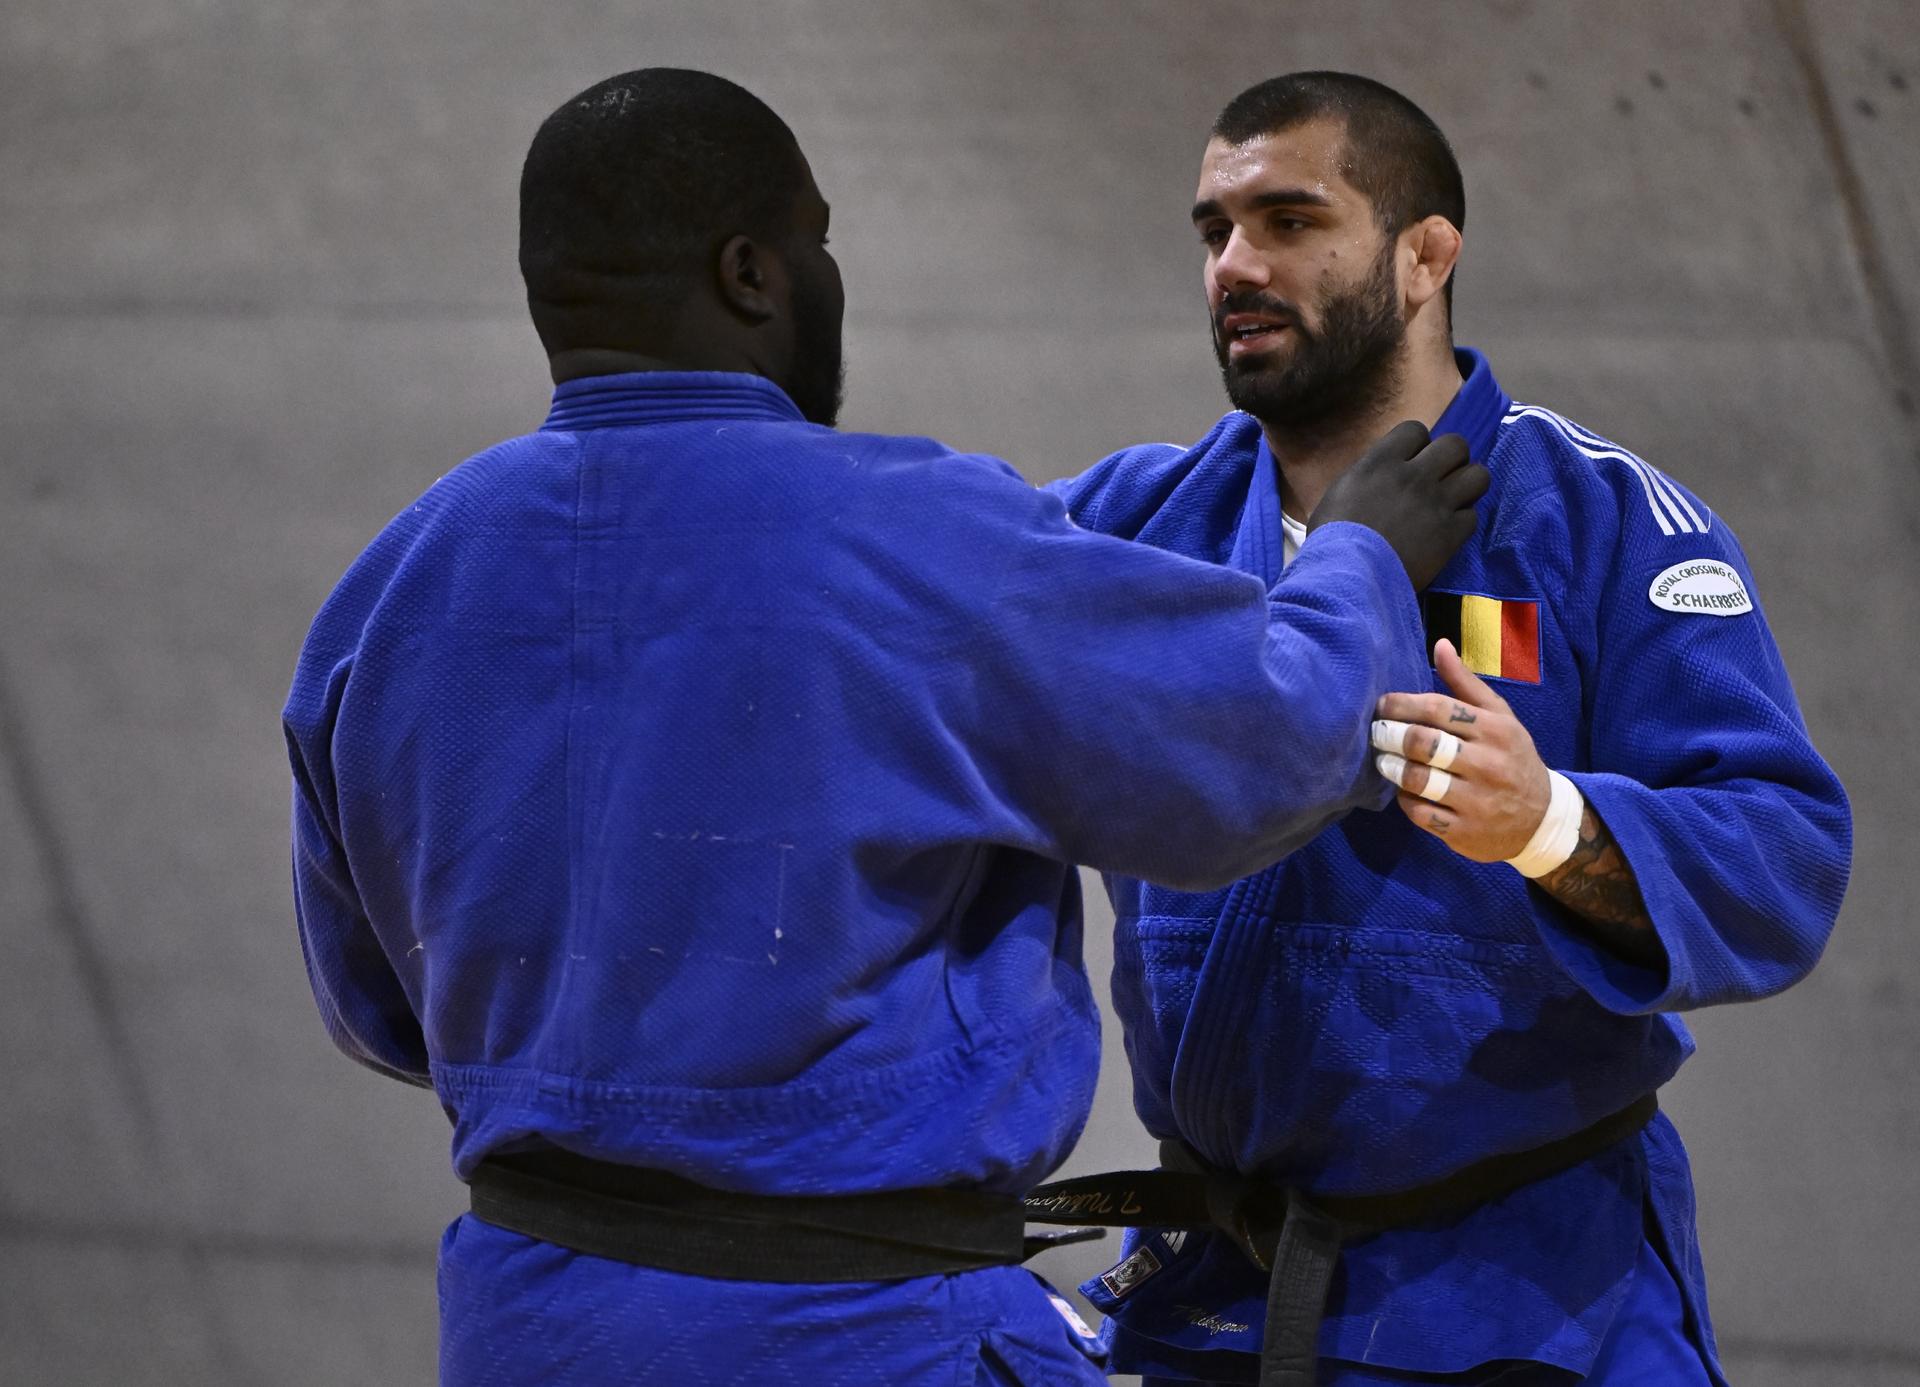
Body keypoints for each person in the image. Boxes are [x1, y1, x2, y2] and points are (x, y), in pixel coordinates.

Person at [280, 69, 1490, 1386]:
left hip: (530, 1329)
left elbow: (377, 1006)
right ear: (753, 272)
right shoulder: (911, 534)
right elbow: (1260, 745)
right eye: (819, 238)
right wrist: (1366, 552)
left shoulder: (390, 588)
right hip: (859, 1333)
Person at [1043, 71, 1851, 1387]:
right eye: (1215, 231)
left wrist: (1548, 826)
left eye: (1290, 222)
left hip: (1533, 1305)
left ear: (1427, 255)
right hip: (1228, 1305)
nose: (1236, 265)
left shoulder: (1605, 520)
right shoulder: (1133, 526)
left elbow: (1782, 856)